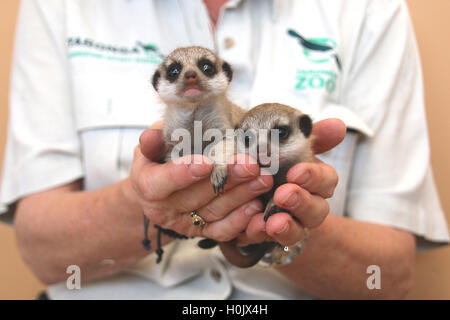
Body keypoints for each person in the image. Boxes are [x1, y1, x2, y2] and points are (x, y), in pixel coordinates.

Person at [0, 0, 448, 300]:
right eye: (176, 71)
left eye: (205, 69)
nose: (191, 78)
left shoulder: (368, 8)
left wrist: (272, 228)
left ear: (225, 78)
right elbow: (42, 253)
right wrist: (151, 206)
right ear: (159, 85)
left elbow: (390, 278)